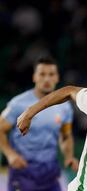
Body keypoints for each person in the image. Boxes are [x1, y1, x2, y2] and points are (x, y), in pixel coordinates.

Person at [0, 56, 78, 191]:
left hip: (50, 175)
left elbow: (65, 135)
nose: (47, 79)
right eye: (42, 74)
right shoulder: (18, 103)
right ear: (34, 77)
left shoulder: (64, 107)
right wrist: (10, 154)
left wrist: (69, 156)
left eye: (51, 74)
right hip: (23, 173)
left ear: (57, 78)